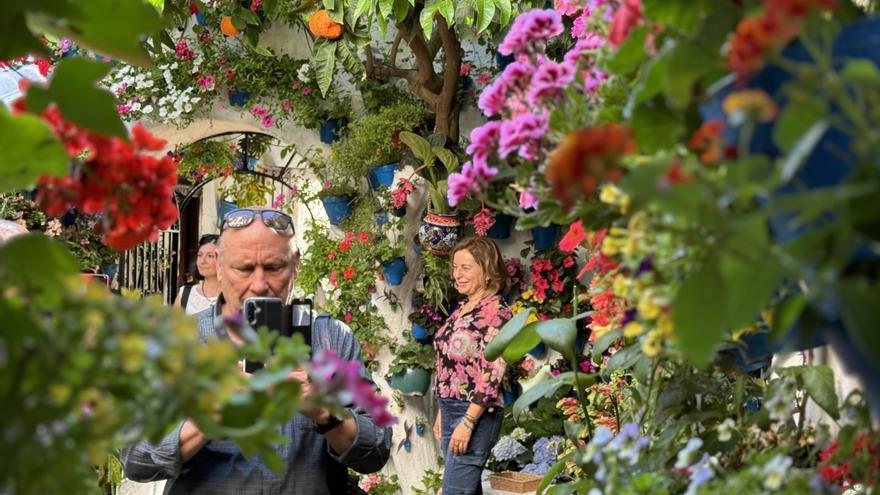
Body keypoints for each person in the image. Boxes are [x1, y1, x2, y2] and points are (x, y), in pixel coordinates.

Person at [120, 207, 392, 494]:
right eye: (244, 268)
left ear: (295, 264)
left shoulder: (331, 338)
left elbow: (376, 450)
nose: (260, 285)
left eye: (274, 267)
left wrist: (324, 412)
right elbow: (135, 458)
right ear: (220, 267)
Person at [432, 237, 513, 495]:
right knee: (466, 489)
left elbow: (492, 373)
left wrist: (467, 421)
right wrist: (440, 412)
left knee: (454, 490)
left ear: (487, 271)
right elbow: (447, 365)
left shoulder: (496, 312)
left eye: (465, 267)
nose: (457, 274)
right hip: (450, 408)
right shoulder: (461, 311)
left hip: (477, 411)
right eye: (455, 268)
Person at [174, 234, 220, 314]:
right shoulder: (185, 294)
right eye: (200, 255)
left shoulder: (236, 297)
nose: (202, 261)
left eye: (210, 256)